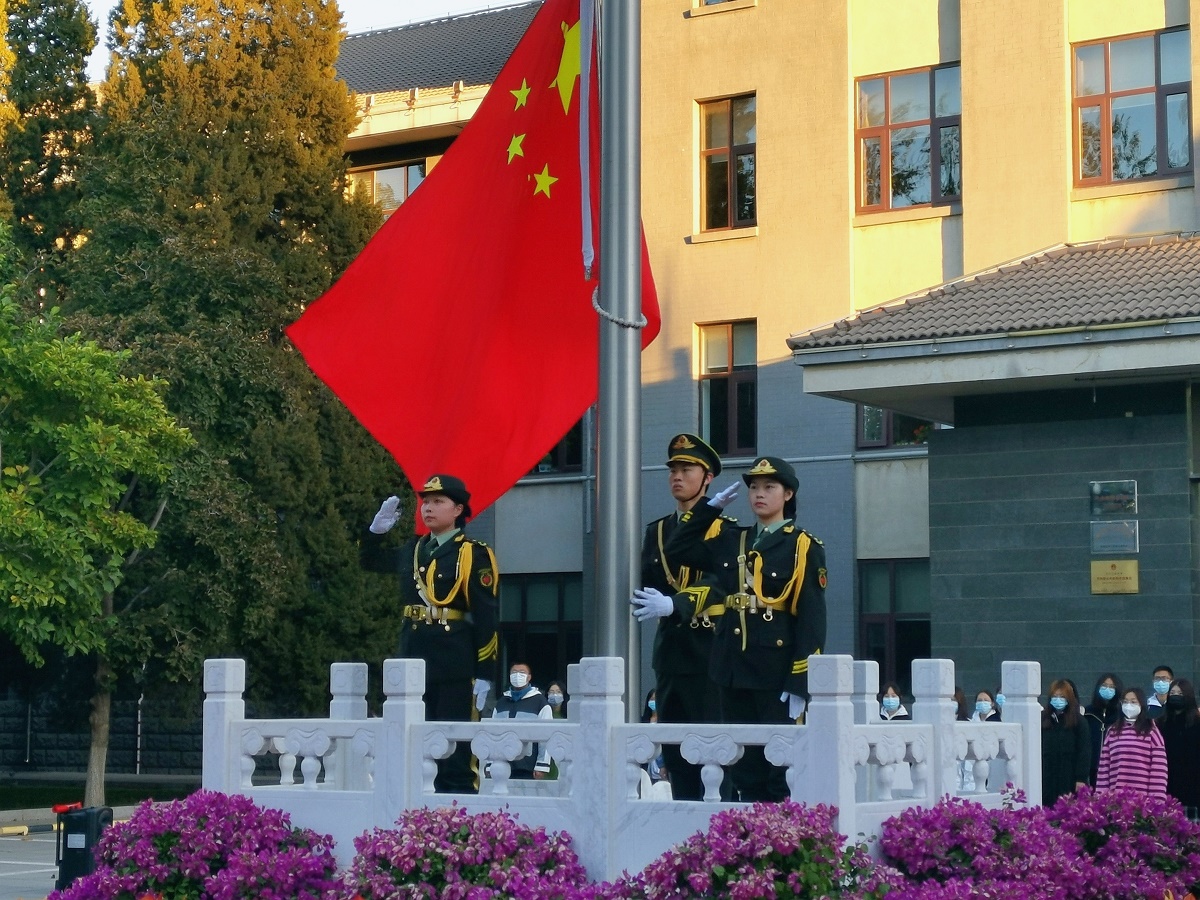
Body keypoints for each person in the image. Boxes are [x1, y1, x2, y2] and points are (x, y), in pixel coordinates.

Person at [664, 455, 827, 802]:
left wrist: (801, 681)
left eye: (769, 487)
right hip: (731, 668)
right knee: (745, 769)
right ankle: (750, 833)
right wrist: (708, 509)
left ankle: (781, 833)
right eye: (754, 487)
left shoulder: (801, 545)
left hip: (775, 672)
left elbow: (812, 617)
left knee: (780, 769)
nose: (759, 494)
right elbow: (677, 548)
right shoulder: (732, 540)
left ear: (788, 495)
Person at [361, 475, 499, 794]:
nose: (428, 508)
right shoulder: (414, 549)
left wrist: (485, 672)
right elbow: (370, 561)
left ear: (458, 509)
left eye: (438, 502)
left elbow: (486, 615)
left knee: (454, 745)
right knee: (414, 741)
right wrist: (374, 533)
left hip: (454, 660)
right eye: (425, 502)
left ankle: (458, 807)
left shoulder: (472, 554)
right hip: (413, 656)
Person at [629, 433, 729, 801]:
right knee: (676, 752)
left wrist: (678, 603)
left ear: (707, 478)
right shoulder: (657, 531)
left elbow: (719, 581)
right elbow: (646, 583)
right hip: (671, 653)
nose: (677, 476)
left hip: (711, 652)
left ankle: (719, 824)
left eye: (687, 469)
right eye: (673, 469)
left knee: (715, 751)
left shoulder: (725, 529)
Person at [1096, 687, 1167, 797]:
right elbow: (1104, 767)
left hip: (1142, 800)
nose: (1129, 705)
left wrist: (1156, 800)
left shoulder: (1151, 731)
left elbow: (1159, 770)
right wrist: (1101, 796)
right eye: (1125, 702)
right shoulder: (1113, 731)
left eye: (1133, 702)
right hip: (1115, 799)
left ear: (1142, 705)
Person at [490, 662, 553, 779]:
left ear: (529, 677)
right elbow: (492, 733)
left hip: (527, 765)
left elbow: (546, 735)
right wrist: (490, 764)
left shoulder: (540, 702)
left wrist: (542, 765)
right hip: (502, 763)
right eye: (514, 672)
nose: (517, 675)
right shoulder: (501, 702)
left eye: (522, 672)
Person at [1041, 678, 1091, 806]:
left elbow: (1084, 751)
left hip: (1069, 777)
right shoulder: (1042, 719)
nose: (1058, 700)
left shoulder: (1079, 721)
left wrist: (1081, 778)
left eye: (1062, 697)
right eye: (1055, 696)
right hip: (1047, 776)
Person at [1159, 678, 1200, 819]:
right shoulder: (1160, 723)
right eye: (1173, 693)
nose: (1175, 696)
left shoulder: (1197, 723)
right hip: (1167, 789)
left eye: (1180, 693)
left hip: (1193, 793)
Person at [1084, 673, 1123, 786]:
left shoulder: (1121, 714)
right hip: (1092, 766)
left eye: (1111, 687)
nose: (1107, 689)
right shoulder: (1088, 713)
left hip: (1113, 766)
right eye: (1104, 686)